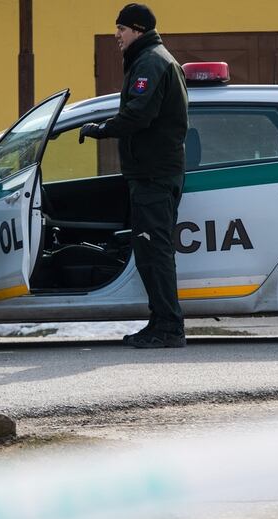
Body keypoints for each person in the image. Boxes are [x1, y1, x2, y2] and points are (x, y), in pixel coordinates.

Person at [78, 3, 189, 349]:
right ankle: (160, 321)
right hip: (155, 172)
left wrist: (100, 129)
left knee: (154, 253)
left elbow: (137, 116)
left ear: (138, 30)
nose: (117, 37)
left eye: (122, 31)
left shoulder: (151, 62)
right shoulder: (153, 58)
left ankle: (169, 327)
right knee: (150, 252)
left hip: (154, 175)